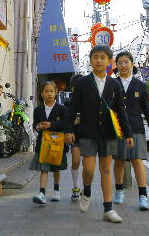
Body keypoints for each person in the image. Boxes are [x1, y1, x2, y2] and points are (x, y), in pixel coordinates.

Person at [65, 45, 134, 223]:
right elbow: (72, 108)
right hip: (87, 132)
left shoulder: (115, 84)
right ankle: (86, 191)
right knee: (88, 168)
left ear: (110, 61)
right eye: (95, 57)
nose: (99, 60)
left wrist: (128, 134)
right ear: (90, 60)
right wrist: (69, 130)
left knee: (105, 169)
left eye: (103, 57)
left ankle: (108, 208)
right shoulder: (81, 83)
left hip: (108, 133)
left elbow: (121, 110)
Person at [112, 51, 149, 211]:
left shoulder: (140, 86)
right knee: (119, 161)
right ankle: (119, 191)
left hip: (136, 128)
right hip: (117, 129)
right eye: (120, 62)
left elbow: (147, 110)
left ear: (132, 64)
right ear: (116, 65)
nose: (123, 65)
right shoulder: (111, 84)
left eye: (126, 62)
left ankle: (143, 196)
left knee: (137, 161)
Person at [29, 81, 68, 204]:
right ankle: (42, 192)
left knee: (56, 168)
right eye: (46, 91)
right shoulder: (38, 109)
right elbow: (35, 124)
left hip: (57, 143)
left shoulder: (61, 109)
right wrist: (38, 127)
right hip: (43, 143)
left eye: (51, 91)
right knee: (44, 168)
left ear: (56, 93)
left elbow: (65, 124)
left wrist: (51, 124)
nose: (49, 94)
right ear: (41, 94)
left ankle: (56, 190)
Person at [64, 74, 83, 202]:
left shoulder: (91, 101)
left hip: (89, 135)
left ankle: (86, 189)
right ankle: (76, 188)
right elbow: (67, 120)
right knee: (76, 161)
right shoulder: (68, 103)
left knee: (88, 165)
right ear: (72, 88)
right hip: (75, 135)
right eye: (76, 87)